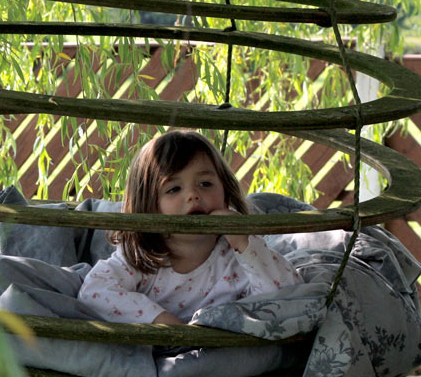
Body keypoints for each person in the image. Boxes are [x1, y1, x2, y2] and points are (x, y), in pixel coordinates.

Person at [78, 130, 301, 325]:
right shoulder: (140, 257)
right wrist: (163, 322)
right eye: (174, 189)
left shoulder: (237, 256)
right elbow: (95, 291)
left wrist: (244, 242)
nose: (193, 195)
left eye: (205, 184)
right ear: (149, 207)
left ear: (226, 194)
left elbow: (285, 296)